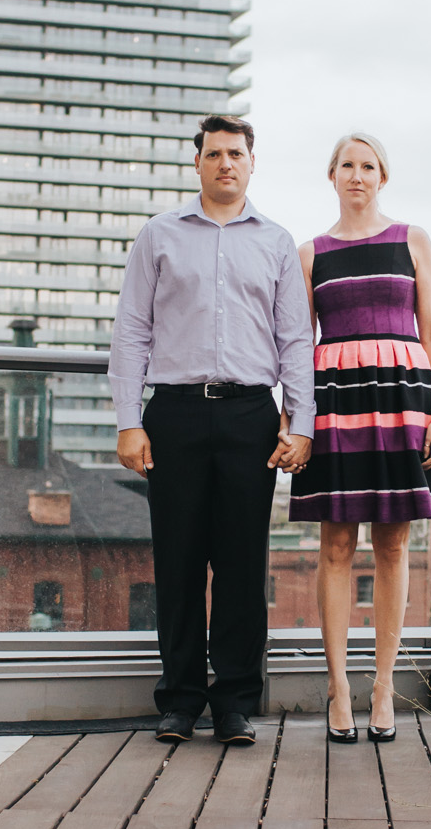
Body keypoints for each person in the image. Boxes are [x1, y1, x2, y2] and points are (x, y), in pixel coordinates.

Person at [109, 115, 314, 745]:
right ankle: (178, 700)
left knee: (241, 564)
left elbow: (294, 339)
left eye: (237, 154)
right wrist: (128, 422)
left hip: (250, 415)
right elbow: (131, 330)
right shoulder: (159, 236)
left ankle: (233, 702)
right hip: (172, 413)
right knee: (176, 563)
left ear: (253, 164)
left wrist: (300, 422)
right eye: (215, 153)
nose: (226, 163)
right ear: (197, 163)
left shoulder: (276, 242)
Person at [288, 132, 431, 743]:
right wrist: (296, 419)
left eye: (369, 166)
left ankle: (383, 686)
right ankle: (338, 689)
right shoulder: (309, 254)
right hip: (335, 405)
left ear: (383, 177)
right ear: (332, 176)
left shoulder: (412, 239)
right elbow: (299, 345)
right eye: (347, 165)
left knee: (393, 545)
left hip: (403, 402)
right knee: (335, 547)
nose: (358, 175)